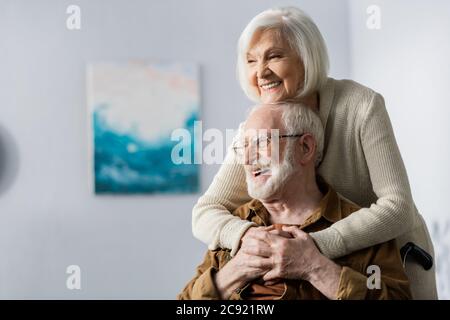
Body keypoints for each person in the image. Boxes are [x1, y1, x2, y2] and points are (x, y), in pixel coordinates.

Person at [191, 6, 437, 299]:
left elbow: (398, 208)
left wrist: (313, 247)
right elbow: (205, 212)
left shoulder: (361, 105)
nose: (260, 72)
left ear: (306, 58)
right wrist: (245, 236)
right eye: (251, 61)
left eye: (274, 56)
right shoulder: (256, 130)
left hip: (385, 258)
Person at [179, 103, 412, 300]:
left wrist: (315, 269)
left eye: (261, 142)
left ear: (305, 147)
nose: (248, 159)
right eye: (243, 147)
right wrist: (235, 271)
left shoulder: (364, 230)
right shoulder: (234, 226)